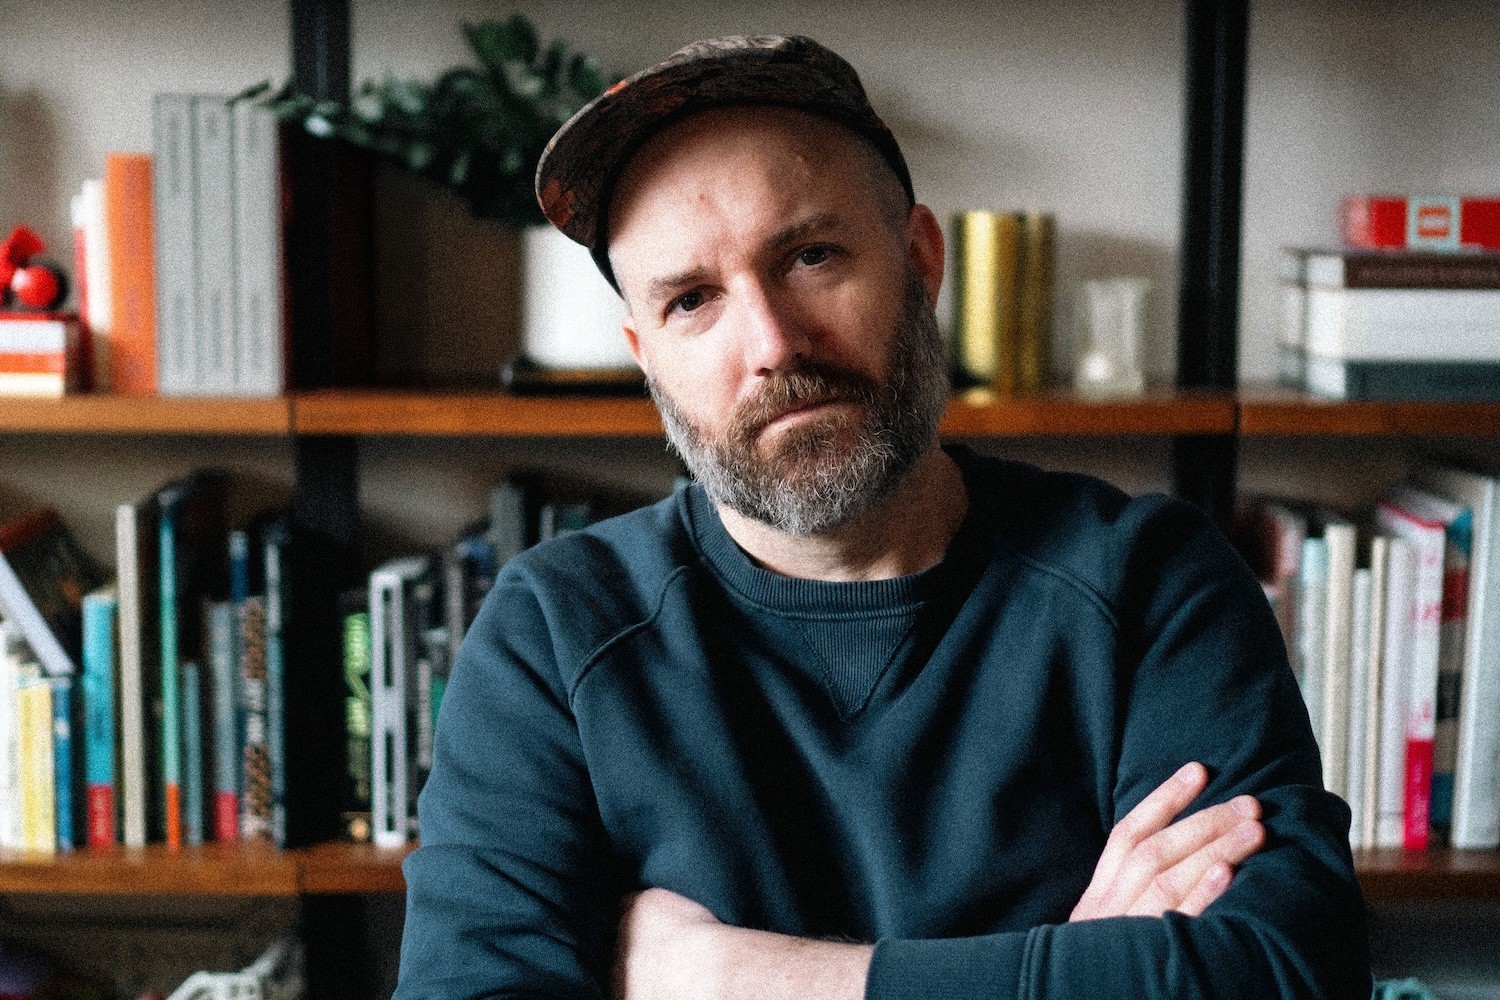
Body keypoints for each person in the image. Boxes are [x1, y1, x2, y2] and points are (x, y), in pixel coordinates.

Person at [395, 35, 1370, 1000]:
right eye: (693, 301)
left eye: (812, 256)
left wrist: (733, 978)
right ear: (643, 353)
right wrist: (1074, 967)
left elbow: (1287, 976)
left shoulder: (1150, 584)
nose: (771, 343)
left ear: (919, 260)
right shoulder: (554, 636)